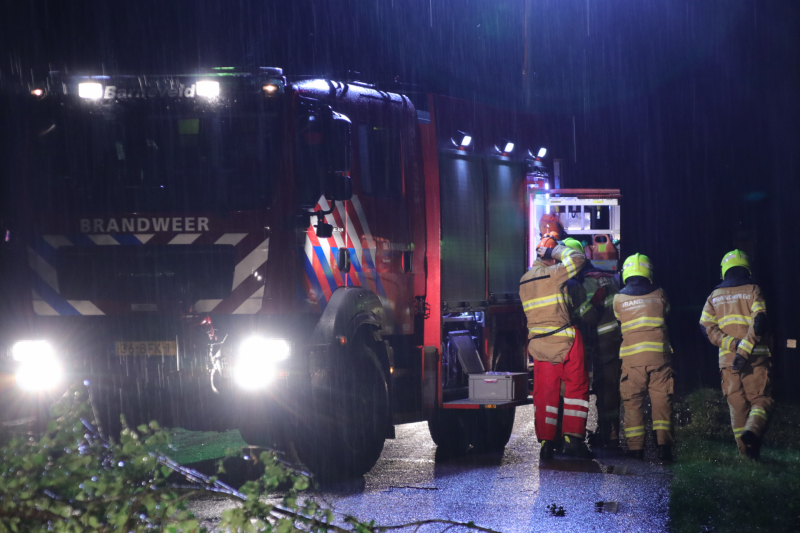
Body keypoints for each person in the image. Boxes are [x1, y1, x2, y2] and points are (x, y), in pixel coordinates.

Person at [520, 234, 591, 460]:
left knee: (545, 394)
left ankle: (546, 443)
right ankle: (572, 440)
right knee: (576, 389)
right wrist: (556, 251)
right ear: (549, 257)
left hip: (539, 345)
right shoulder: (553, 274)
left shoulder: (524, 279)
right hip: (565, 341)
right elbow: (579, 259)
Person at [699, 250, 773, 460]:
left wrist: (731, 345)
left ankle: (745, 454)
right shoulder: (753, 290)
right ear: (747, 269)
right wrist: (744, 349)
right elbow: (759, 322)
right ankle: (753, 432)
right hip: (756, 358)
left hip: (728, 362)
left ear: (724, 271)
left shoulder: (714, 296)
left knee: (737, 405)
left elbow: (705, 326)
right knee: (761, 400)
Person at [613, 254, 674, 461]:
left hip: (632, 363)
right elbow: (666, 312)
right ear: (648, 272)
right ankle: (664, 449)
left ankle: (636, 450)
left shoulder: (619, 299)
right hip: (659, 359)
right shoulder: (660, 294)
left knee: (633, 404)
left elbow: (619, 318)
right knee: (661, 402)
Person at [563, 238, 623, 449]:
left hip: (600, 342)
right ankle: (611, 434)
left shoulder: (583, 283)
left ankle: (608, 436)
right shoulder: (606, 277)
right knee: (610, 389)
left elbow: (588, 317)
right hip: (614, 340)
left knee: (601, 388)